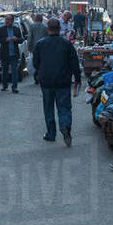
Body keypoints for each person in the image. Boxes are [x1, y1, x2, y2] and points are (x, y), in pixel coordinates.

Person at [33, 18, 82, 146]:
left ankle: (51, 133)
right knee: (64, 108)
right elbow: (74, 63)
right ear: (59, 28)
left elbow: (35, 63)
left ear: (47, 29)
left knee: (48, 108)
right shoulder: (66, 44)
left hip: (47, 82)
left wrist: (40, 73)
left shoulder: (40, 44)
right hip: (63, 81)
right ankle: (65, 126)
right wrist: (77, 79)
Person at [0, 13, 24, 93]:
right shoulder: (1, 29)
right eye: (6, 19)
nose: (7, 21)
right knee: (4, 71)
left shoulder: (16, 29)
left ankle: (14, 87)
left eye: (8, 20)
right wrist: (5, 40)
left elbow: (21, 40)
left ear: (12, 21)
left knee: (14, 71)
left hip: (14, 54)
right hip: (5, 53)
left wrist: (17, 39)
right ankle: (5, 86)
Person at [25, 13, 49, 81]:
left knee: (35, 62)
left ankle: (36, 76)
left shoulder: (32, 26)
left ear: (35, 19)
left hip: (34, 48)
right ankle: (41, 75)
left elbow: (29, 38)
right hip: (43, 48)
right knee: (42, 62)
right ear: (41, 20)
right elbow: (47, 38)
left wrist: (29, 47)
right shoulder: (45, 27)